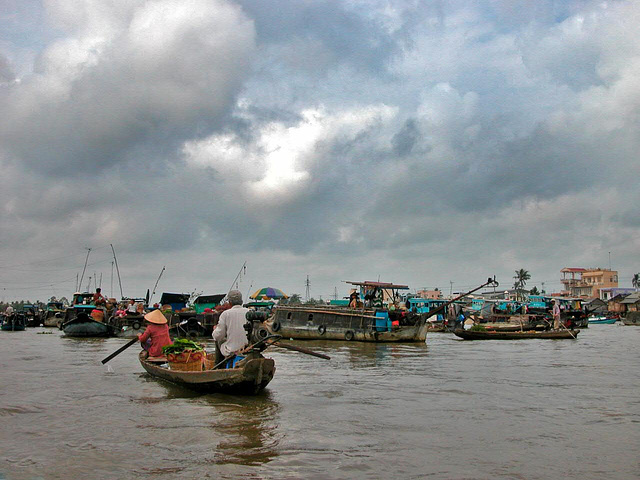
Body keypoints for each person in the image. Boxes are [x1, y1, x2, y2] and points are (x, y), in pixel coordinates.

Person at [212, 290, 249, 362]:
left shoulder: (226, 314)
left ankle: (219, 367)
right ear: (241, 301)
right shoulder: (249, 312)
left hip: (232, 350)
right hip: (248, 348)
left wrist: (214, 330)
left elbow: (218, 336)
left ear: (230, 302)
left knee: (218, 340)